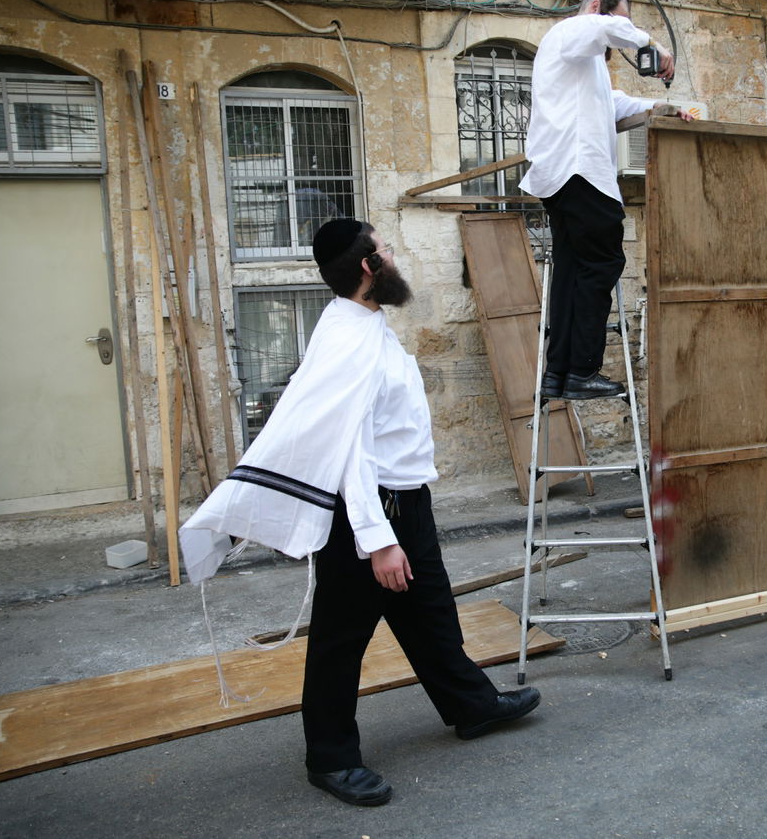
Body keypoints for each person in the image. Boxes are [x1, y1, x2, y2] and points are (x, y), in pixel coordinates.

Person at [180, 218, 540, 808]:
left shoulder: (367, 323)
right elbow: (349, 449)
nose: (395, 257)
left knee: (429, 614)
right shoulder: (346, 339)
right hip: (370, 512)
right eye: (386, 250)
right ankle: (330, 757)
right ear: (369, 268)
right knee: (340, 641)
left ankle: (472, 706)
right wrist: (378, 540)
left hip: (406, 502)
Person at [520, 0, 693, 401]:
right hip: (581, 173)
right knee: (602, 265)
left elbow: (612, 104)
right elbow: (604, 29)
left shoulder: (584, 63)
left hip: (563, 176)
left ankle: (558, 373)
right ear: (597, 8)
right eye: (620, 19)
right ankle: (582, 370)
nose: (623, 32)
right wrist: (656, 46)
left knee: (571, 272)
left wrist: (657, 108)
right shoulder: (572, 31)